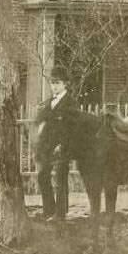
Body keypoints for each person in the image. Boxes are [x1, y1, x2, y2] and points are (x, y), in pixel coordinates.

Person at [35, 66, 77, 221]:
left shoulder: (71, 103)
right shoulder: (48, 103)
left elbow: (72, 128)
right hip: (47, 146)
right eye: (52, 83)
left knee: (60, 178)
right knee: (42, 175)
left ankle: (60, 213)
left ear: (65, 84)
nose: (54, 86)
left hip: (62, 147)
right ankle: (48, 210)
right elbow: (41, 122)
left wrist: (63, 144)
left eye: (57, 83)